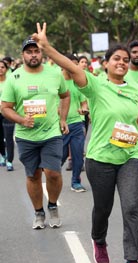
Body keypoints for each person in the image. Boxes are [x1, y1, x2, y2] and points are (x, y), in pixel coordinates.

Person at [32, 22, 138, 263]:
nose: (122, 63)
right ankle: (98, 240)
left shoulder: (134, 89)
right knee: (103, 208)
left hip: (130, 156)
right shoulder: (96, 86)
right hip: (100, 158)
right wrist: (46, 47)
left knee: (132, 207)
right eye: (116, 59)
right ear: (106, 64)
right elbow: (71, 66)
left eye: (125, 59)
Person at [1, 36, 70, 229]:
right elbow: (5, 107)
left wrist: (63, 118)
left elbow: (65, 96)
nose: (33, 55)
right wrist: (21, 119)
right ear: (22, 55)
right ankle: (39, 213)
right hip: (26, 136)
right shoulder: (14, 78)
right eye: (29, 52)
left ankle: (53, 206)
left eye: (36, 51)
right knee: (33, 176)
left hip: (51, 133)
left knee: (53, 173)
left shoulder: (54, 73)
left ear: (41, 53)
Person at [62, 54, 88, 192]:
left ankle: (76, 182)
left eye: (75, 64)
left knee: (78, 156)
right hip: (59, 126)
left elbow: (84, 103)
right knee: (60, 155)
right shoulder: (56, 81)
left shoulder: (77, 83)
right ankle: (53, 178)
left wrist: (84, 110)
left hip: (77, 124)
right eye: (70, 64)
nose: (73, 67)